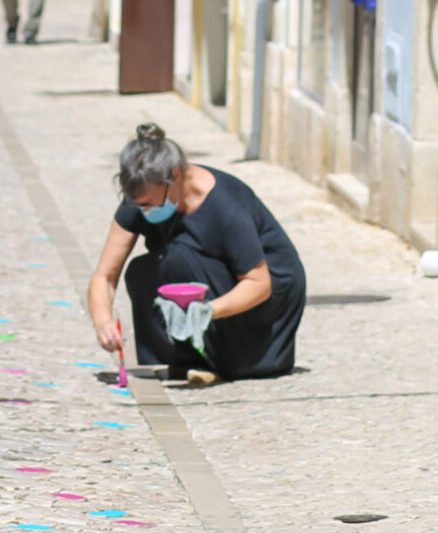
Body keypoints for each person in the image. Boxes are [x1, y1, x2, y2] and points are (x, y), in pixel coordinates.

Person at [85, 124, 304, 387]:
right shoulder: (144, 195)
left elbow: (259, 283)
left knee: (176, 259)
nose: (145, 210)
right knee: (143, 270)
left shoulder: (226, 207)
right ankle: (187, 356)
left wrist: (207, 312)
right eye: (137, 204)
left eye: (150, 203)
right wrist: (103, 322)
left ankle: (216, 358)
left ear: (175, 176)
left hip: (264, 308)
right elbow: (104, 276)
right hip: (213, 277)